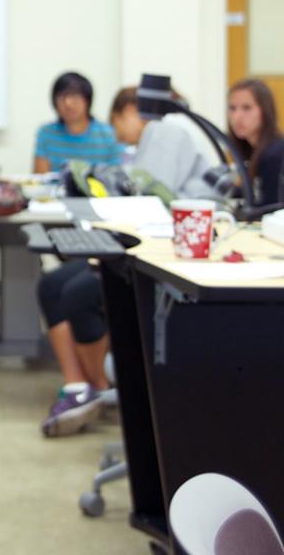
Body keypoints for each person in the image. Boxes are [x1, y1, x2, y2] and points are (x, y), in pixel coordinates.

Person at [36, 84, 219, 437]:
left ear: (131, 111)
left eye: (118, 120)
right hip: (137, 242)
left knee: (75, 293)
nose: (118, 132)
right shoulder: (152, 142)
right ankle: (78, 388)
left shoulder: (164, 134)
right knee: (50, 284)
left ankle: (100, 388)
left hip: (159, 251)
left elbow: (151, 193)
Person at [32, 71, 123, 174]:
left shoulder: (108, 134)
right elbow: (39, 179)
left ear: (87, 100)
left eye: (74, 96)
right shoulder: (46, 133)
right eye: (62, 97)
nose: (68, 103)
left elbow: (115, 178)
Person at [228, 78, 284, 207]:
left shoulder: (274, 155)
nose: (237, 117)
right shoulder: (251, 152)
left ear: (265, 111)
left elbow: (270, 208)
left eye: (247, 108)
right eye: (232, 108)